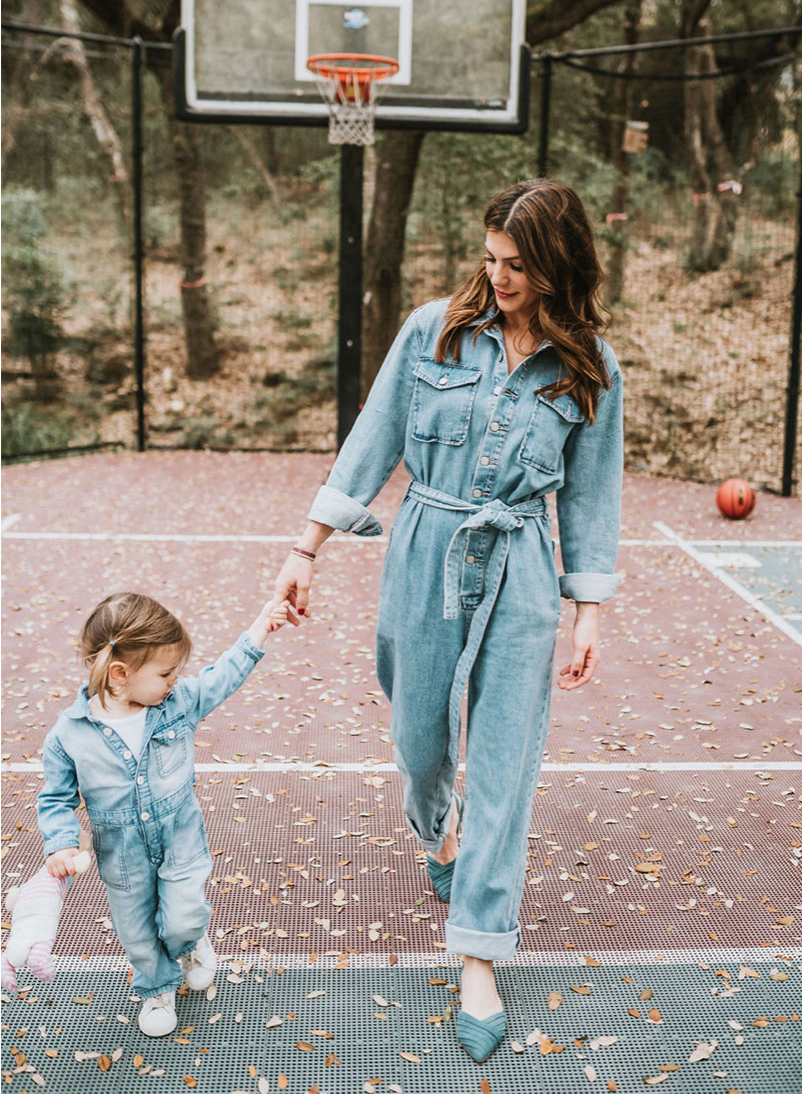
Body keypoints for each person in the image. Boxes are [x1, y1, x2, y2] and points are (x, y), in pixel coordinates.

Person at [274, 178, 623, 1063]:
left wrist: (589, 612)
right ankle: (439, 829)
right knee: (419, 737)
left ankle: (479, 954)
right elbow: (374, 434)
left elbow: (591, 493)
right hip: (426, 544)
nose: (498, 277)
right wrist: (304, 550)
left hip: (525, 568)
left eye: (518, 265)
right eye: (491, 258)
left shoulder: (589, 365)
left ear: (556, 265)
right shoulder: (433, 329)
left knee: (506, 763)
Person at [37, 590, 296, 1037]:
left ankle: (192, 943)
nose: (175, 680)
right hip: (122, 856)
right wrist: (61, 842)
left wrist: (261, 627)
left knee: (183, 918)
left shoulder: (177, 704)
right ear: (120, 674)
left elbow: (221, 677)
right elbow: (55, 798)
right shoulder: (69, 734)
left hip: (180, 839)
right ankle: (156, 987)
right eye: (165, 672)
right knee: (137, 933)